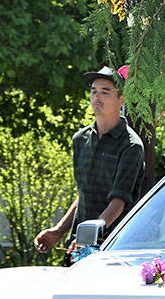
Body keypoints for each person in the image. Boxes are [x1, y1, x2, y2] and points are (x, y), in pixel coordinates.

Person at [34, 67, 145, 255]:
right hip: (77, 244)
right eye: (93, 91)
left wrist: (88, 237)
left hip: (114, 247)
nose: (97, 97)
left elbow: (118, 201)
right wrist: (59, 231)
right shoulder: (80, 139)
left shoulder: (131, 146)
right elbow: (84, 194)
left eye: (105, 91)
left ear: (122, 99)